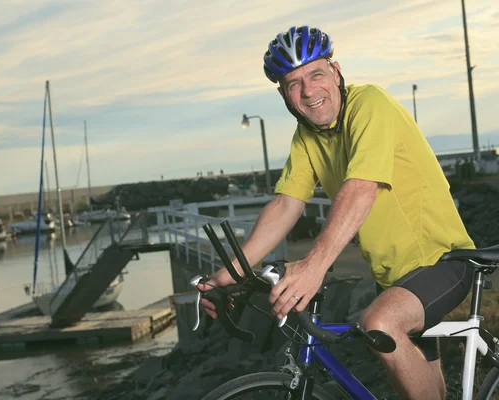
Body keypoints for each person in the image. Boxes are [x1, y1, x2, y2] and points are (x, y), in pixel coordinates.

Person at [198, 26, 475, 400]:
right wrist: (227, 274)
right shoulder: (307, 136)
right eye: (293, 83)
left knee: (380, 323)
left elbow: (360, 188)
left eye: (315, 74)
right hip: (393, 276)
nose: (309, 91)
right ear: (282, 94)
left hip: (442, 261)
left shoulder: (370, 104)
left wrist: (313, 265)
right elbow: (285, 205)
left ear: (336, 71)